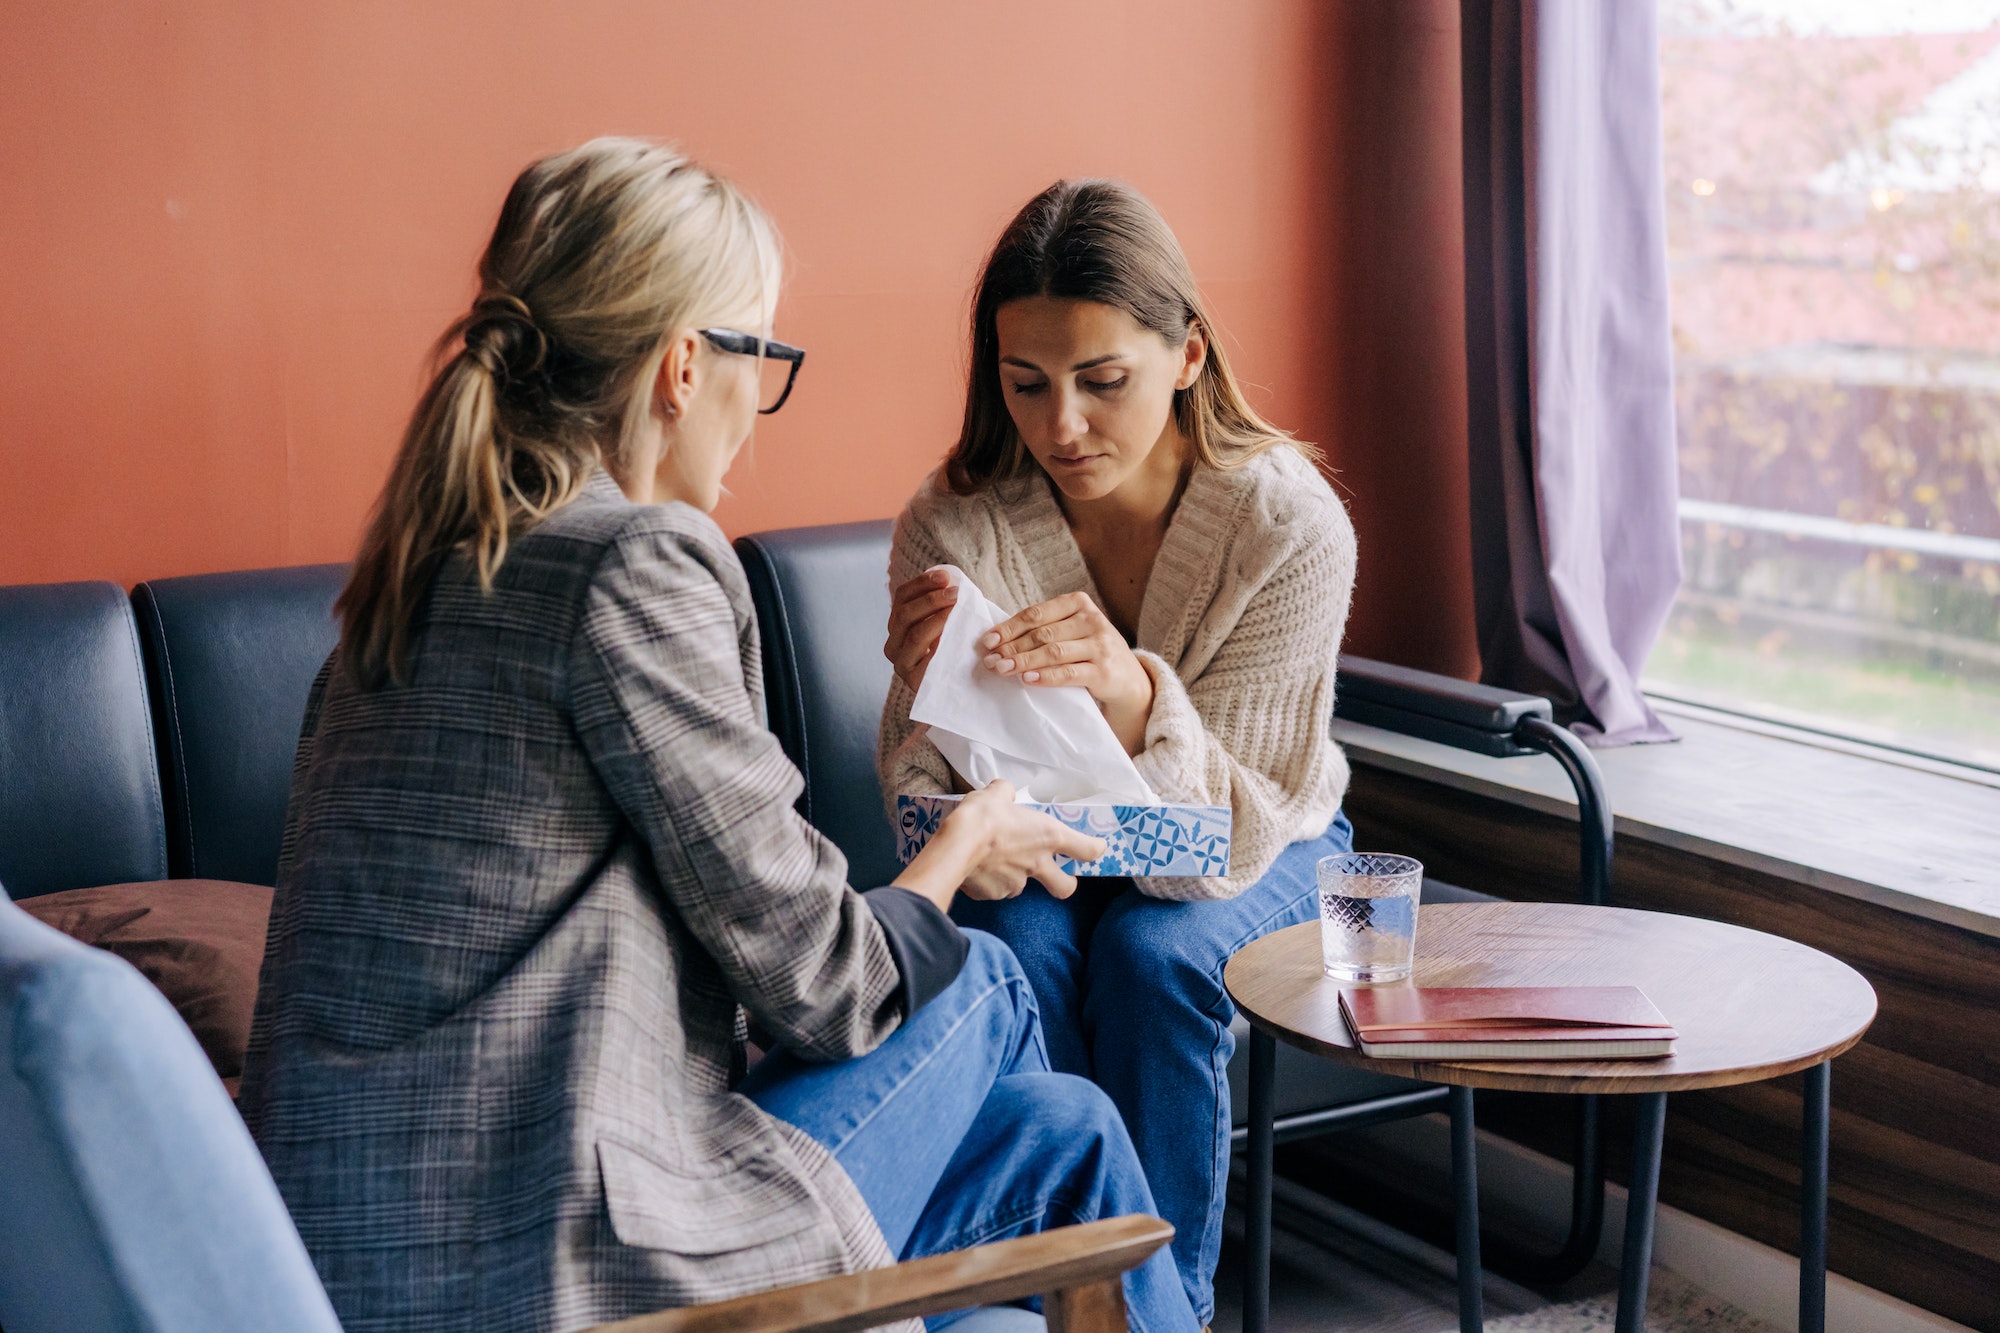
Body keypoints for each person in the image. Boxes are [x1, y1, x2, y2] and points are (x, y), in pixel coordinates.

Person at [238, 139, 1197, 1333]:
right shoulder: (630, 562)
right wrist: (963, 846)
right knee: (990, 971)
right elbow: (823, 985)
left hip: (368, 1255)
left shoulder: (411, 585)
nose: (761, 402)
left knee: (1067, 1133)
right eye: (766, 355)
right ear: (686, 365)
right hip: (563, 1263)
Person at [878, 178, 1358, 1324]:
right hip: (1046, 842)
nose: (1060, 428)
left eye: (1104, 382)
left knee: (1155, 952)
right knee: (1014, 938)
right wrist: (921, 696)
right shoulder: (956, 520)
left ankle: (1156, 1315)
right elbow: (918, 808)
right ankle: (1047, 1297)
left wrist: (1140, 697)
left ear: (1186, 354)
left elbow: (1213, 845)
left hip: (1262, 835)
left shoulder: (1286, 526)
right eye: (1024, 384)